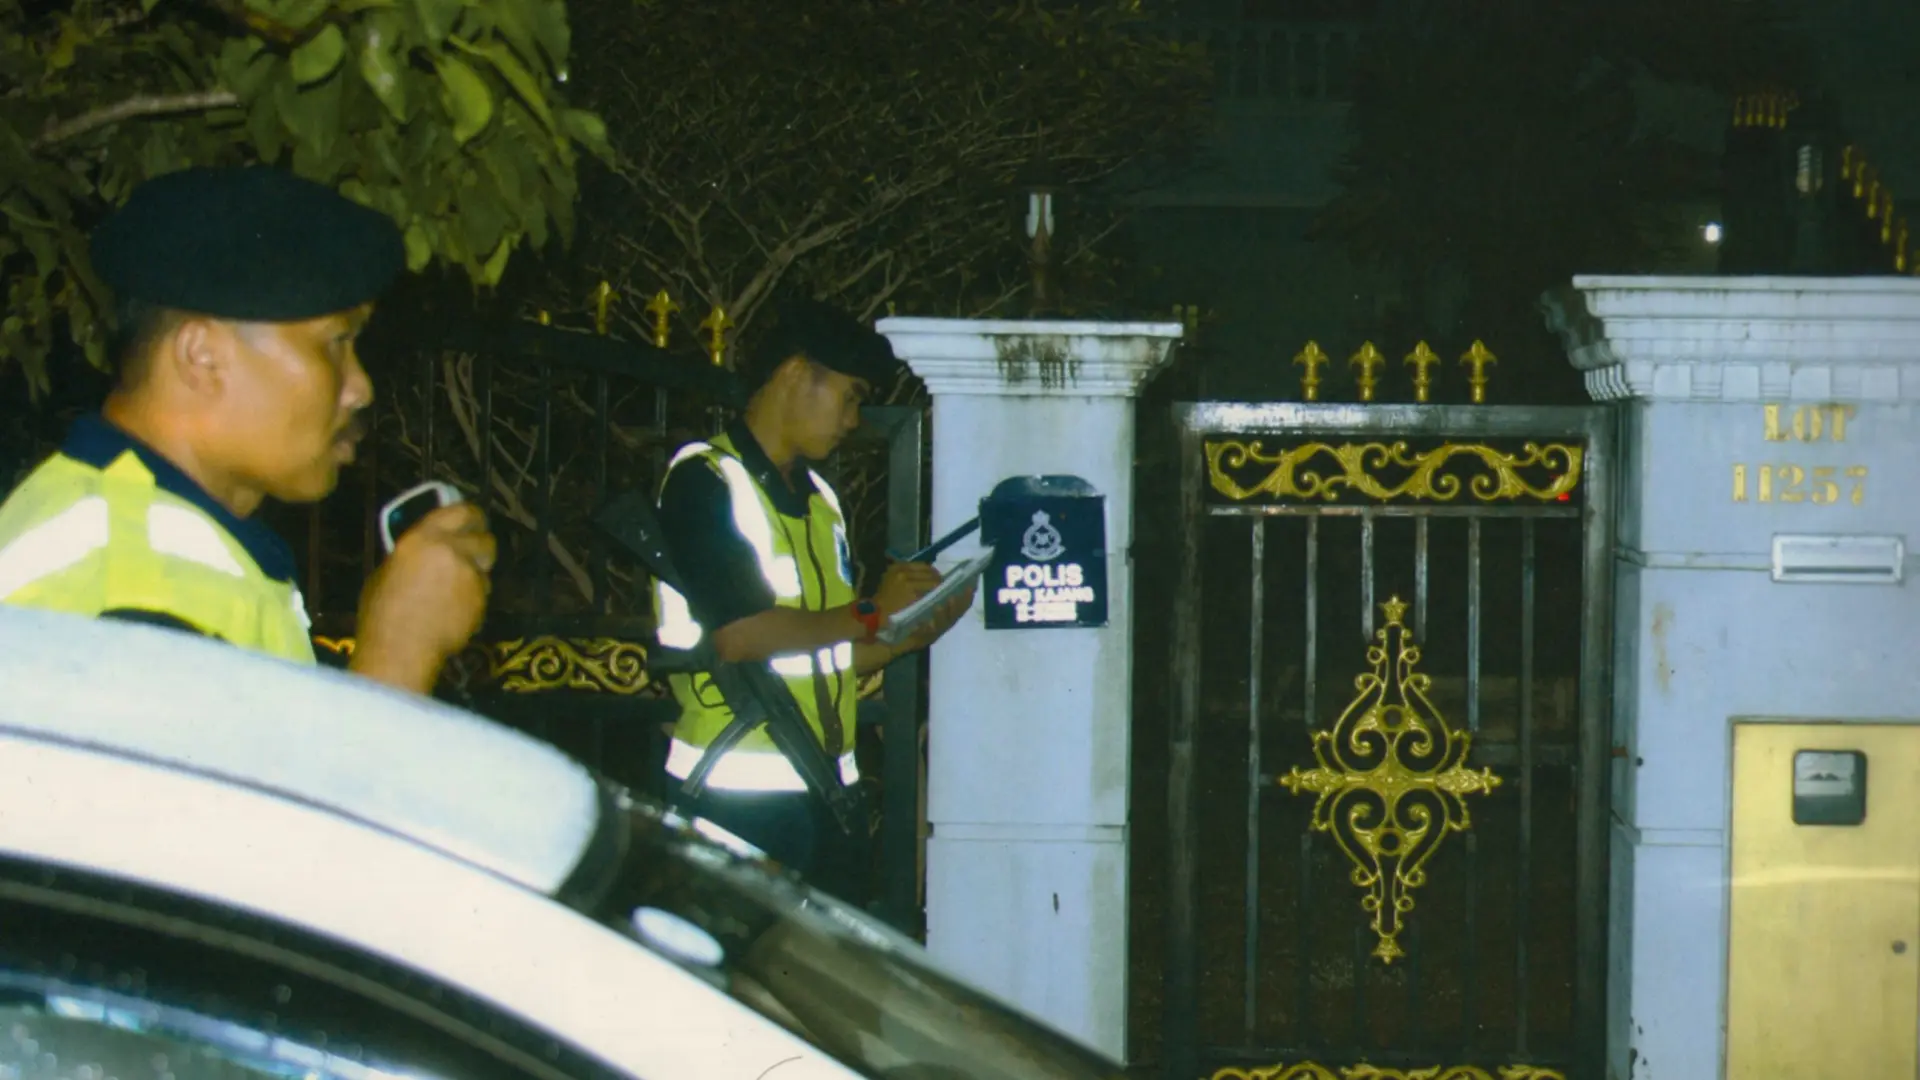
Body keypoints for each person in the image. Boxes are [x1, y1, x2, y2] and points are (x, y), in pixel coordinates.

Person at [0, 166, 494, 696]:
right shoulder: (140, 579)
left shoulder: (149, 535)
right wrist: (400, 650)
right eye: (334, 343)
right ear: (203, 356)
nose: (360, 387)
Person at [652, 299, 971, 902]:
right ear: (796, 373)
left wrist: (910, 632)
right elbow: (740, 636)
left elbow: (825, 656)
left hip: (828, 796)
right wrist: (871, 612)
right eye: (850, 396)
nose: (853, 420)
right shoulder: (705, 479)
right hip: (735, 799)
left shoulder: (821, 502)